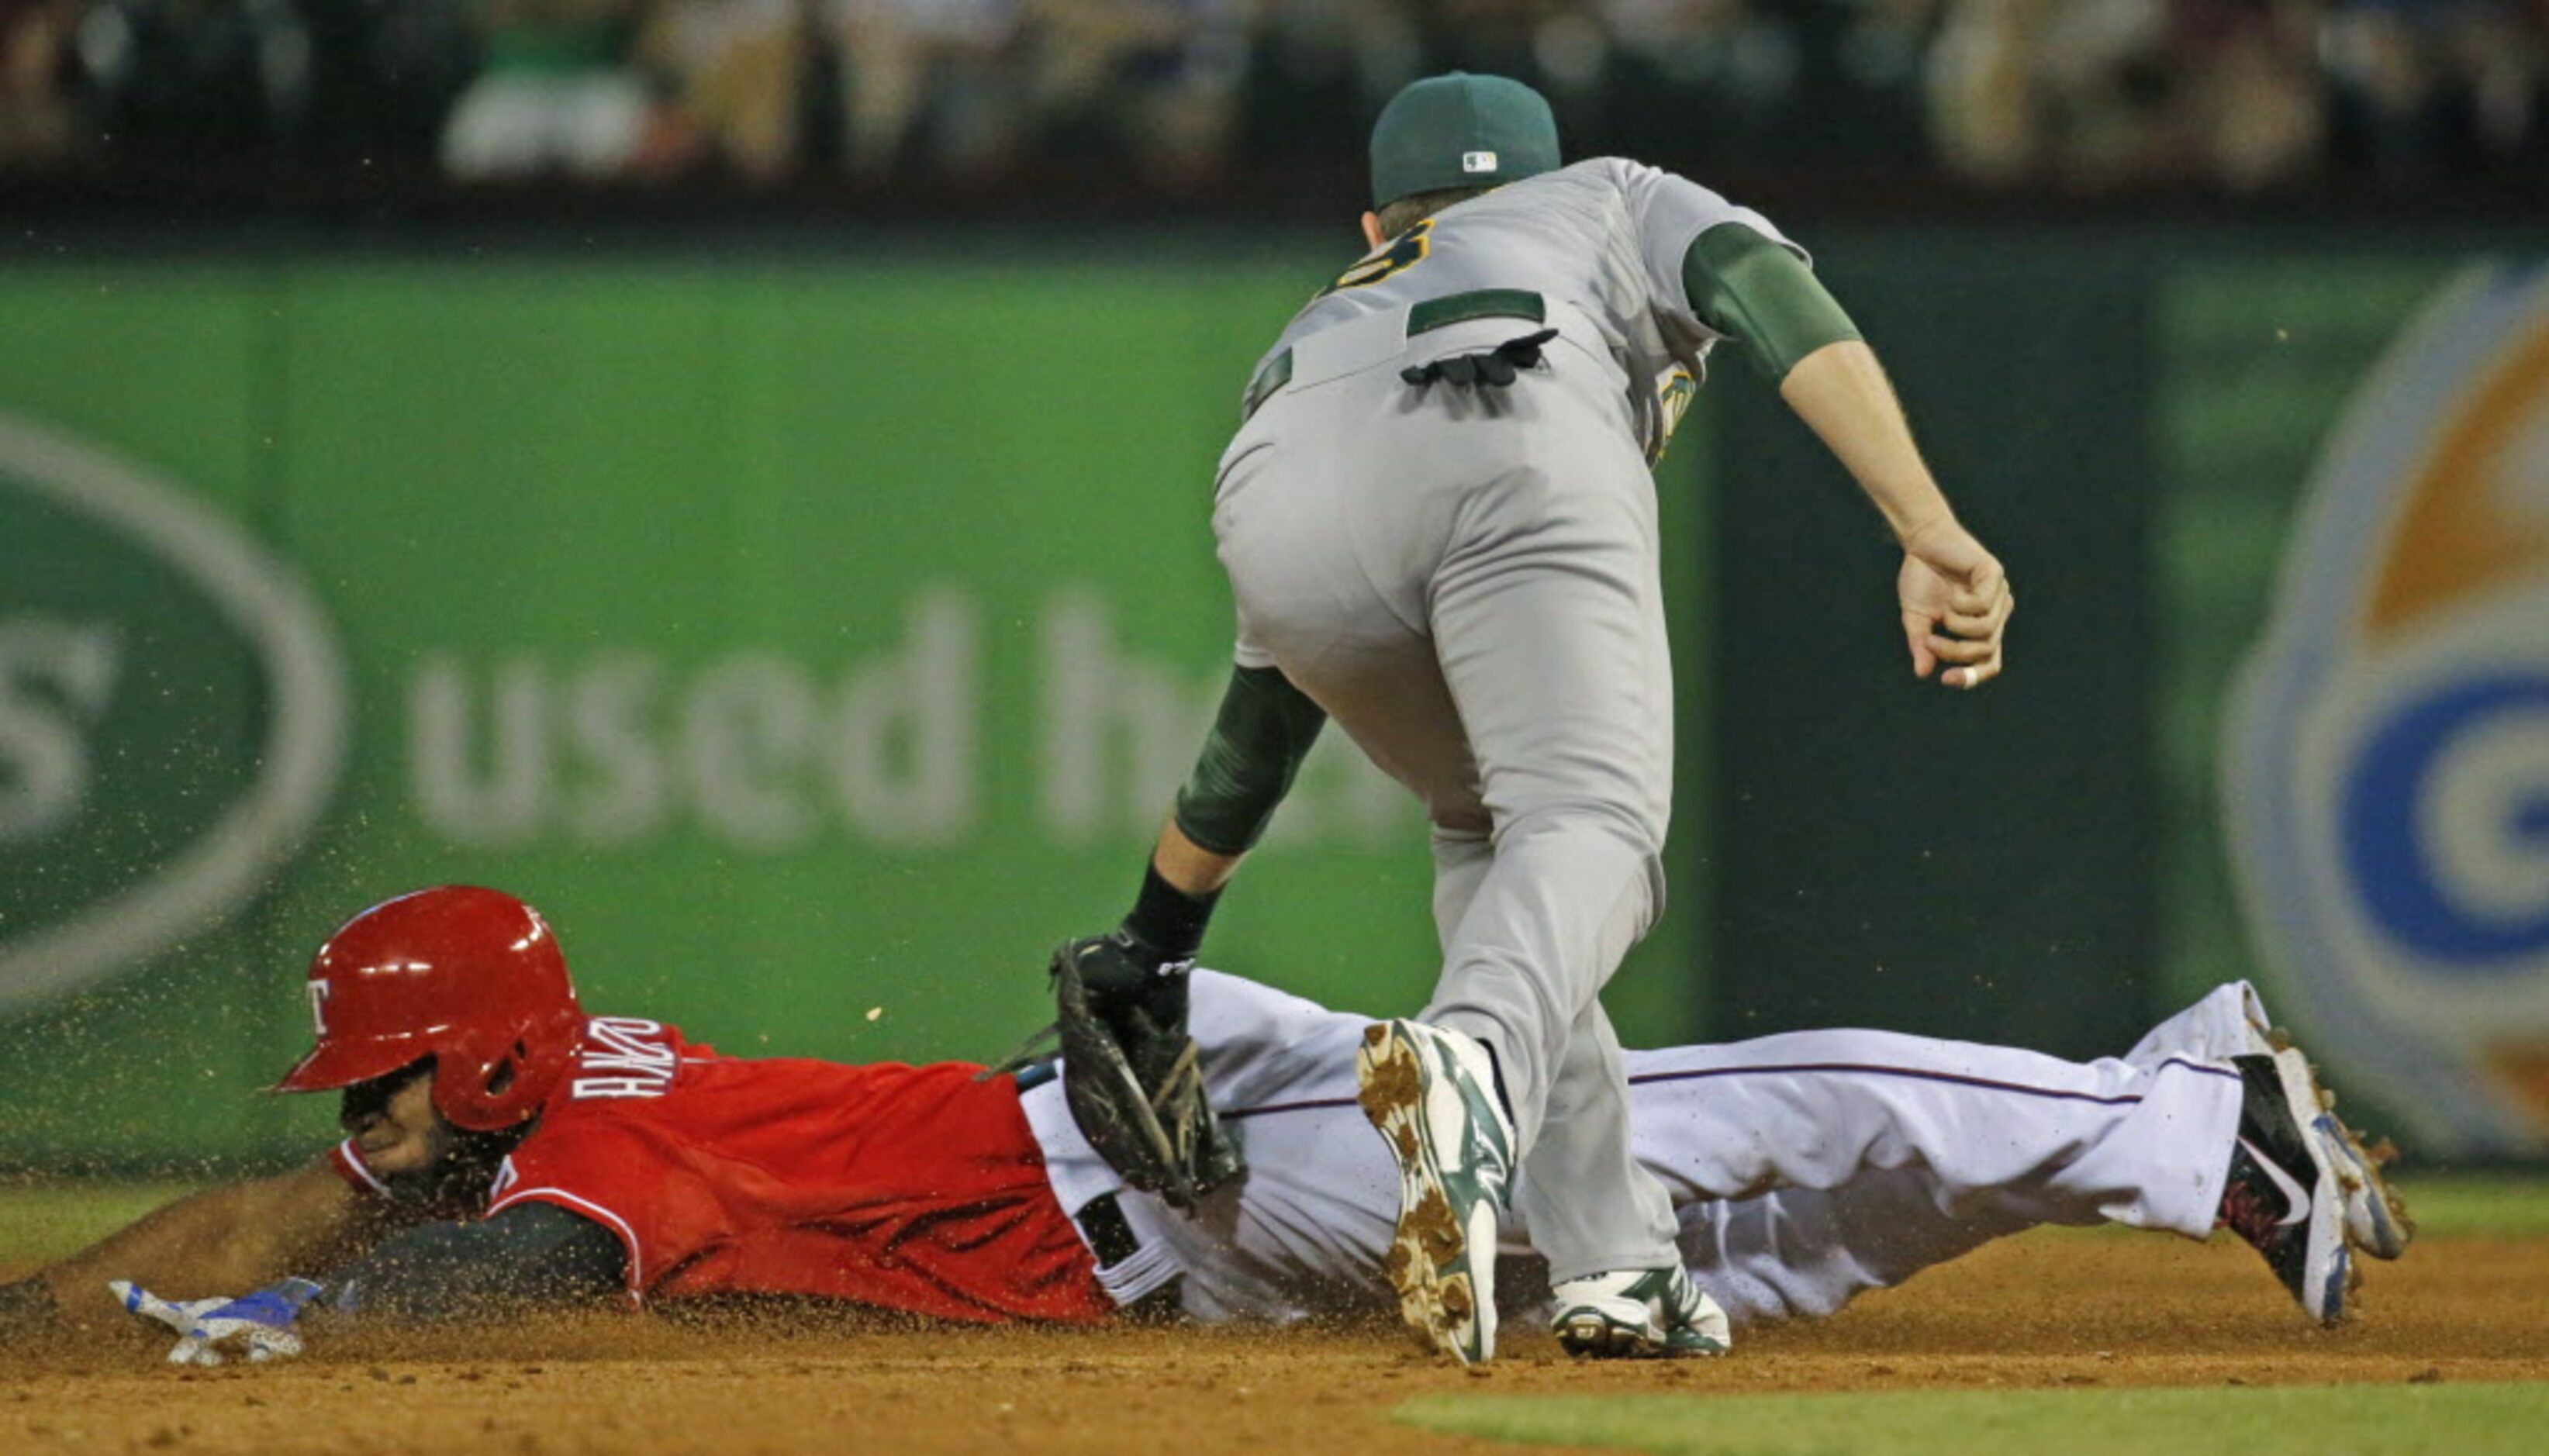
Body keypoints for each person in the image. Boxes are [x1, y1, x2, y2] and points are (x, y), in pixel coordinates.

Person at [1049, 70, 2017, 1366]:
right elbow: (1765, 285)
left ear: (1377, 226)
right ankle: (1471, 1068)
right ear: (1538, 170)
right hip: (1510, 428)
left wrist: (1158, 934)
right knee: (1596, 824)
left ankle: (1614, 1261)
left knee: (1499, 849)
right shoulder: (1607, 195)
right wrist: (1926, 523)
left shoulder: (1334, 312)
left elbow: (1259, 726)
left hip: (1272, 491)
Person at [0, 886, 2409, 1365]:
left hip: (1197, 1169)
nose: (363, 1111)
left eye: (385, 1071)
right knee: (1722, 1274)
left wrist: (289, 1329)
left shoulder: (578, 1170)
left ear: (485, 1063)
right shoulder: (554, 1079)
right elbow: (310, 1194)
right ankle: (2186, 1089)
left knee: (1654, 1120)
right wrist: (49, 1317)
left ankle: (2186, 1132)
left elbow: (498, 1277)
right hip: (1170, 1202)